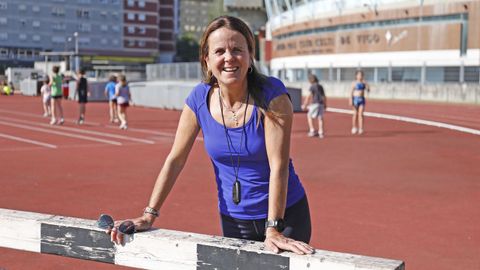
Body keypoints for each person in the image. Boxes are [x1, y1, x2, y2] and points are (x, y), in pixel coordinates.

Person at [106, 16, 314, 256]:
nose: (229, 57)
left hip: (285, 217)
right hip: (234, 219)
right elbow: (175, 160)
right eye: (219, 51)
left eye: (237, 49)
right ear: (206, 60)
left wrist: (273, 228)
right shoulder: (198, 99)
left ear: (250, 57)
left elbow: (279, 166)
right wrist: (148, 214)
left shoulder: (272, 96)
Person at [302, 74, 327, 138]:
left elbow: (308, 96)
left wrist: (305, 104)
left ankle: (312, 130)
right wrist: (325, 104)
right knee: (320, 118)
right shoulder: (320, 86)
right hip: (321, 103)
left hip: (315, 103)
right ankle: (321, 132)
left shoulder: (312, 86)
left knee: (309, 116)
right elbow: (324, 96)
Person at [350, 70, 370, 135]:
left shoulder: (364, 83)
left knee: (361, 114)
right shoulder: (354, 83)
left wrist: (367, 85)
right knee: (355, 114)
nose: (360, 76)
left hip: (362, 99)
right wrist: (350, 100)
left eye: (361, 75)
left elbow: (368, 90)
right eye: (359, 75)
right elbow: (351, 92)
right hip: (355, 99)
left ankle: (361, 128)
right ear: (356, 76)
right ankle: (354, 127)